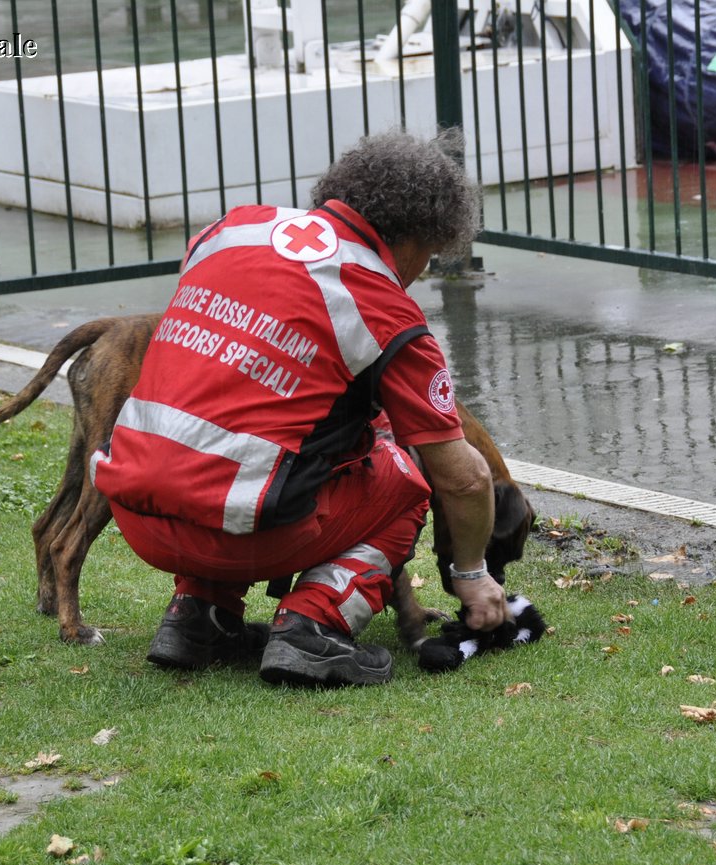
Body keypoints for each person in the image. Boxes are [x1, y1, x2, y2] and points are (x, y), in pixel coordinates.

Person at [92, 129, 508, 687]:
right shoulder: (386, 311)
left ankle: (198, 616)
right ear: (415, 236)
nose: (421, 272)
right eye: (428, 257)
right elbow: (465, 479)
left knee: (247, 438)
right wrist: (472, 573)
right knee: (408, 479)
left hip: (137, 514)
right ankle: (314, 625)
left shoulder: (232, 229)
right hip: (240, 535)